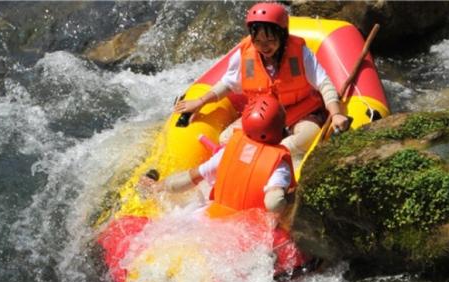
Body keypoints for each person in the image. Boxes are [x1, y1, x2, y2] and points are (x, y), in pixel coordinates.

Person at [173, 2, 351, 158]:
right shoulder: (246, 54)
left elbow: (324, 83)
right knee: (225, 139)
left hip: (300, 114)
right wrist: (201, 101)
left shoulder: (300, 54)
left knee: (309, 135)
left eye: (270, 40)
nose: (264, 46)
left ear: (282, 35)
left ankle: (273, 158)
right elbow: (228, 84)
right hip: (263, 117)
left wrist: (335, 114)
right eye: (257, 40)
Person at [139, 94, 294, 217]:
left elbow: (190, 178)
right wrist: (291, 201)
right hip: (243, 230)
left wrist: (158, 187)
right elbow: (274, 203)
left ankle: (150, 188)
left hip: (209, 216)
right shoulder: (279, 166)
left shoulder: (229, 151)